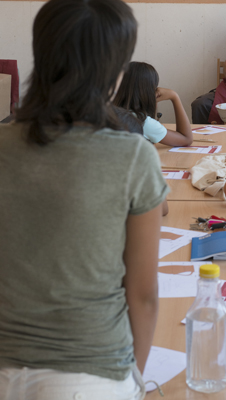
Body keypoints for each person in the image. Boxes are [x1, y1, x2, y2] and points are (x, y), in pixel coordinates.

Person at [0, 1, 169, 399]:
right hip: (88, 374)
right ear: (112, 73)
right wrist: (137, 383)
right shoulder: (133, 156)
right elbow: (143, 295)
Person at [113, 61, 193, 147]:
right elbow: (186, 139)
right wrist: (175, 97)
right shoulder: (142, 122)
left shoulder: (110, 112)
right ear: (148, 91)